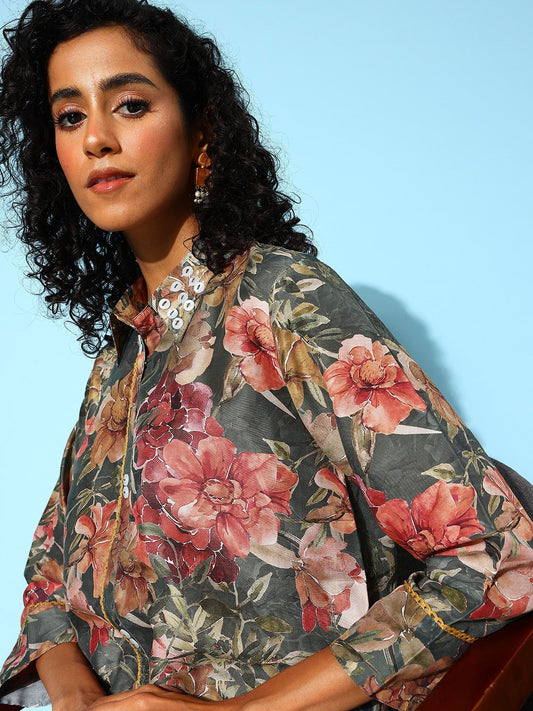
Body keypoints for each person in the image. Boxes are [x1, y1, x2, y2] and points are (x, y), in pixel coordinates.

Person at [0, 0, 532, 709]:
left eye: (129, 105)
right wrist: (74, 699)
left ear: (202, 134)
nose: (96, 137)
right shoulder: (122, 355)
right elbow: (48, 588)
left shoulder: (280, 299)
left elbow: (496, 555)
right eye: (70, 117)